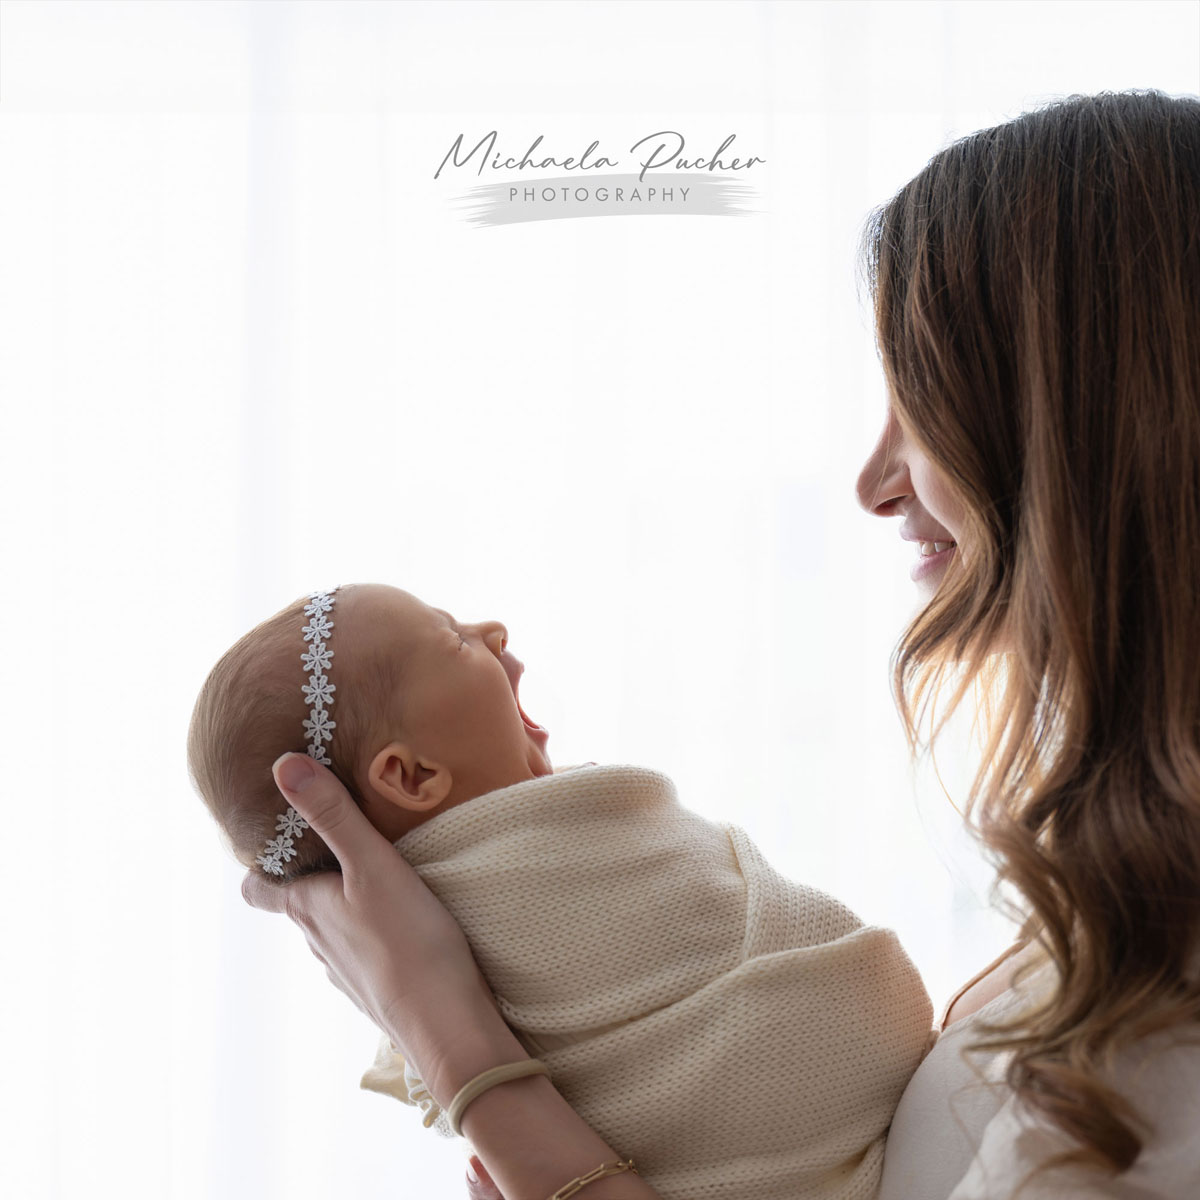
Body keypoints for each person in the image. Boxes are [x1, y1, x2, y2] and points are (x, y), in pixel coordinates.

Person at [240, 89, 1200, 1199]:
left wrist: (461, 1051)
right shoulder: (1120, 907)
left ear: (1084, 424)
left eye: (919, 403)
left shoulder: (1163, 986)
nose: (874, 481)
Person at [189, 583, 933, 1198]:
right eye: (453, 640)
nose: (492, 628)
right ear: (411, 777)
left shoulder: (412, 947)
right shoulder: (541, 868)